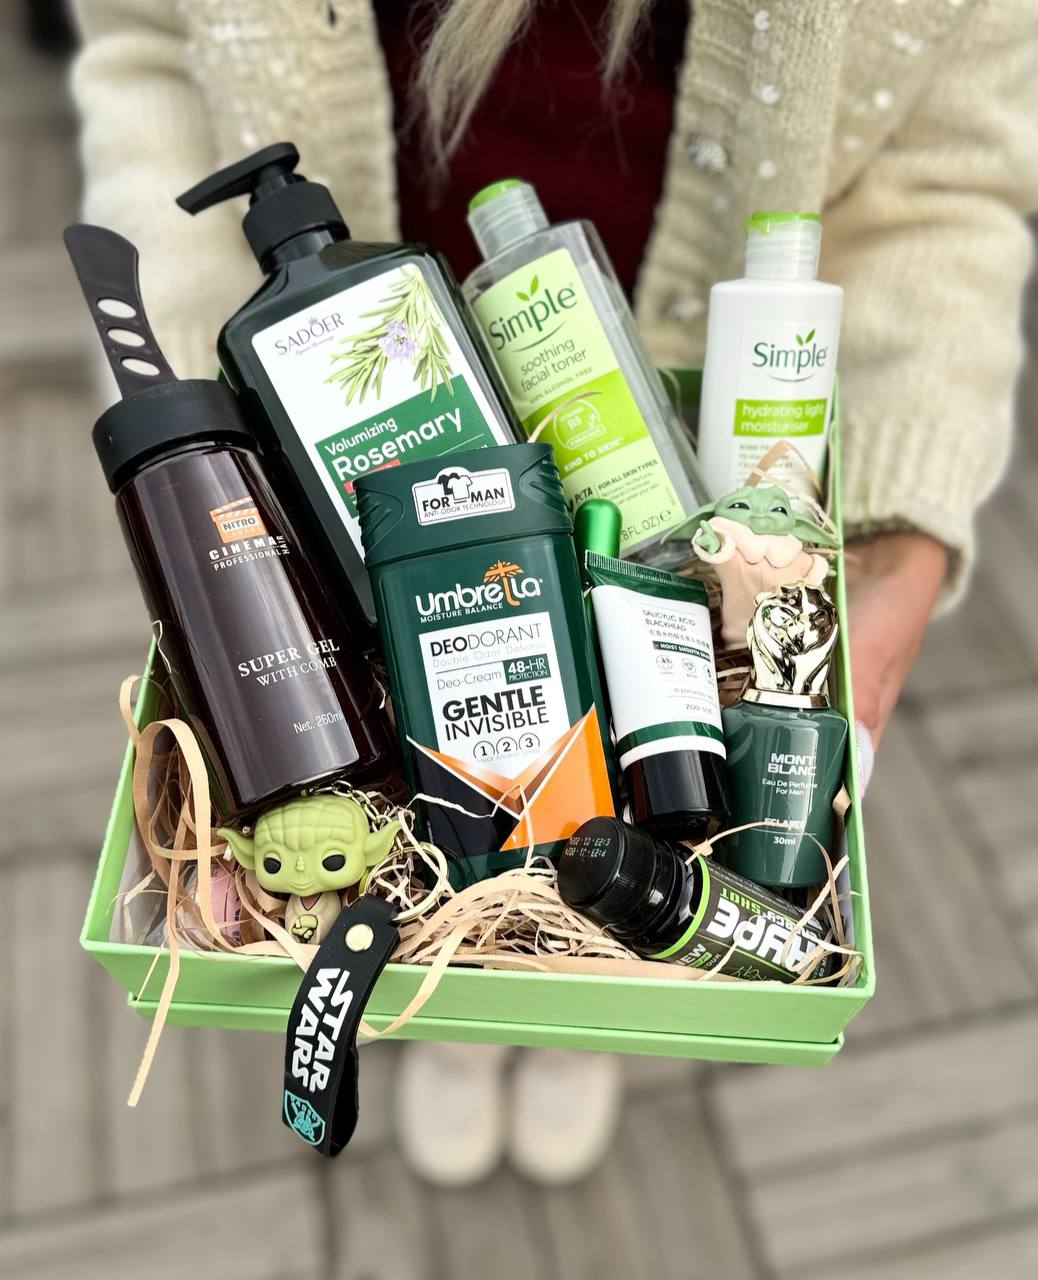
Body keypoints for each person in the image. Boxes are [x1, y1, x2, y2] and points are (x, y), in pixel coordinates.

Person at [69, 0, 1038, 1184]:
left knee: (609, 819)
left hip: (627, 392)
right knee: (455, 823)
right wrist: (196, 417)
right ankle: (453, 988)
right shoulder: (328, 316)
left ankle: (594, 995)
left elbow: (949, 177)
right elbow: (150, 51)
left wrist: (895, 549)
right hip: (401, 520)